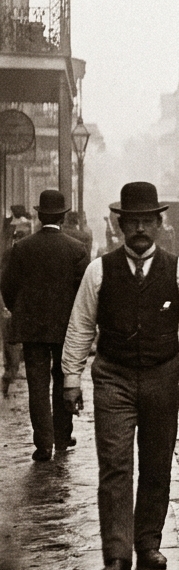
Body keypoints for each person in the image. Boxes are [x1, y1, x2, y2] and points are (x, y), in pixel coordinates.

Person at [62, 181, 179, 570]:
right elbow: (79, 327)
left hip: (164, 377)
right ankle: (116, 554)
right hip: (113, 378)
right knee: (114, 465)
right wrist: (70, 379)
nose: (140, 229)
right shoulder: (99, 271)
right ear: (119, 226)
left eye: (148, 221)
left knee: (157, 462)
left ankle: (148, 543)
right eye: (133, 222)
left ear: (160, 225)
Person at [0, 190, 89, 461]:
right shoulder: (76, 249)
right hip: (65, 328)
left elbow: (7, 285)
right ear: (62, 216)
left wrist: (21, 311)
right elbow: (82, 293)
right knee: (64, 380)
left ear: (39, 216)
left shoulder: (22, 247)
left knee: (37, 385)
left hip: (33, 328)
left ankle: (43, 445)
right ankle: (62, 437)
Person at [1, 213, 33, 396]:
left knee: (14, 340)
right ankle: (10, 372)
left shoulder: (18, 252)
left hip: (17, 303)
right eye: (19, 235)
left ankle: (11, 371)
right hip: (14, 303)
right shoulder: (12, 253)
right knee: (12, 340)